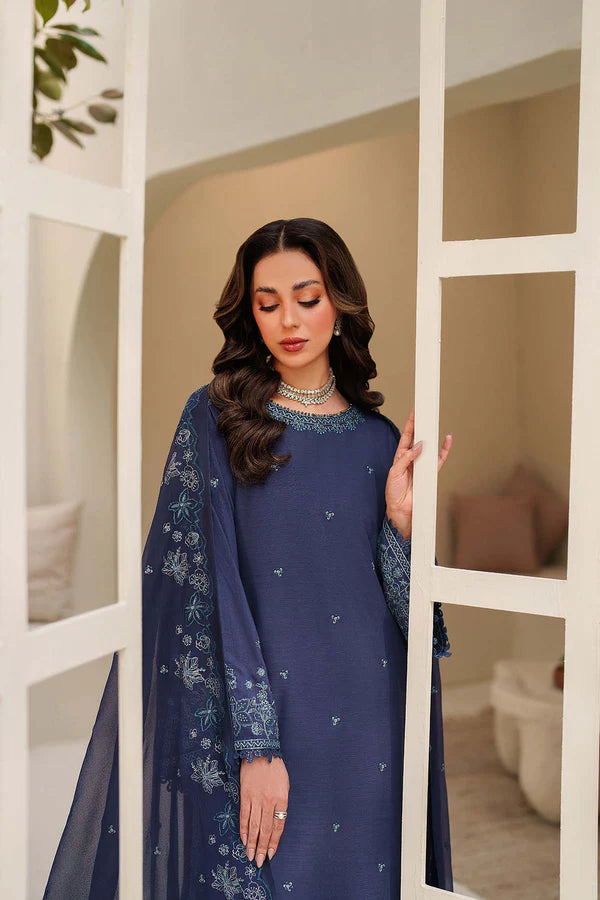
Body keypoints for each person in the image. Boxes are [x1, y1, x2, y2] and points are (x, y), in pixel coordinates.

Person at [43, 217, 453, 899]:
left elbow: (412, 624)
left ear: (340, 305)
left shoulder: (380, 440)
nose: (289, 320)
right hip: (269, 721)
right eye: (268, 304)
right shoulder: (216, 421)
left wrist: (402, 528)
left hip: (373, 722)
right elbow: (209, 594)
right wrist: (257, 748)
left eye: (307, 298)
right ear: (249, 314)